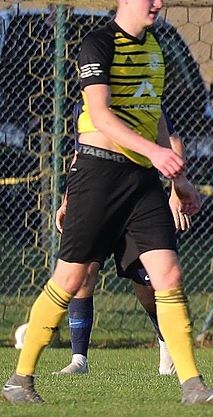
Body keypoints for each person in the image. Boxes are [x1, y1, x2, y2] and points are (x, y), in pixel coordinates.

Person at [3, 0, 213, 406]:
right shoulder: (98, 43)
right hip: (99, 174)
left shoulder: (155, 47)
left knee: (168, 274)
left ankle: (192, 386)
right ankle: (20, 380)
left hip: (142, 180)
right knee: (70, 278)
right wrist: (155, 153)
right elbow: (102, 116)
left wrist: (179, 179)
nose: (159, 2)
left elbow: (156, 114)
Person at [48, 106, 194, 376]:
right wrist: (68, 200)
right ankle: (79, 359)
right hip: (95, 197)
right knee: (82, 272)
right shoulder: (86, 104)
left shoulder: (140, 93)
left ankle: (166, 343)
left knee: (147, 283)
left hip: (136, 200)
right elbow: (80, 154)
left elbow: (172, 139)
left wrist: (177, 187)